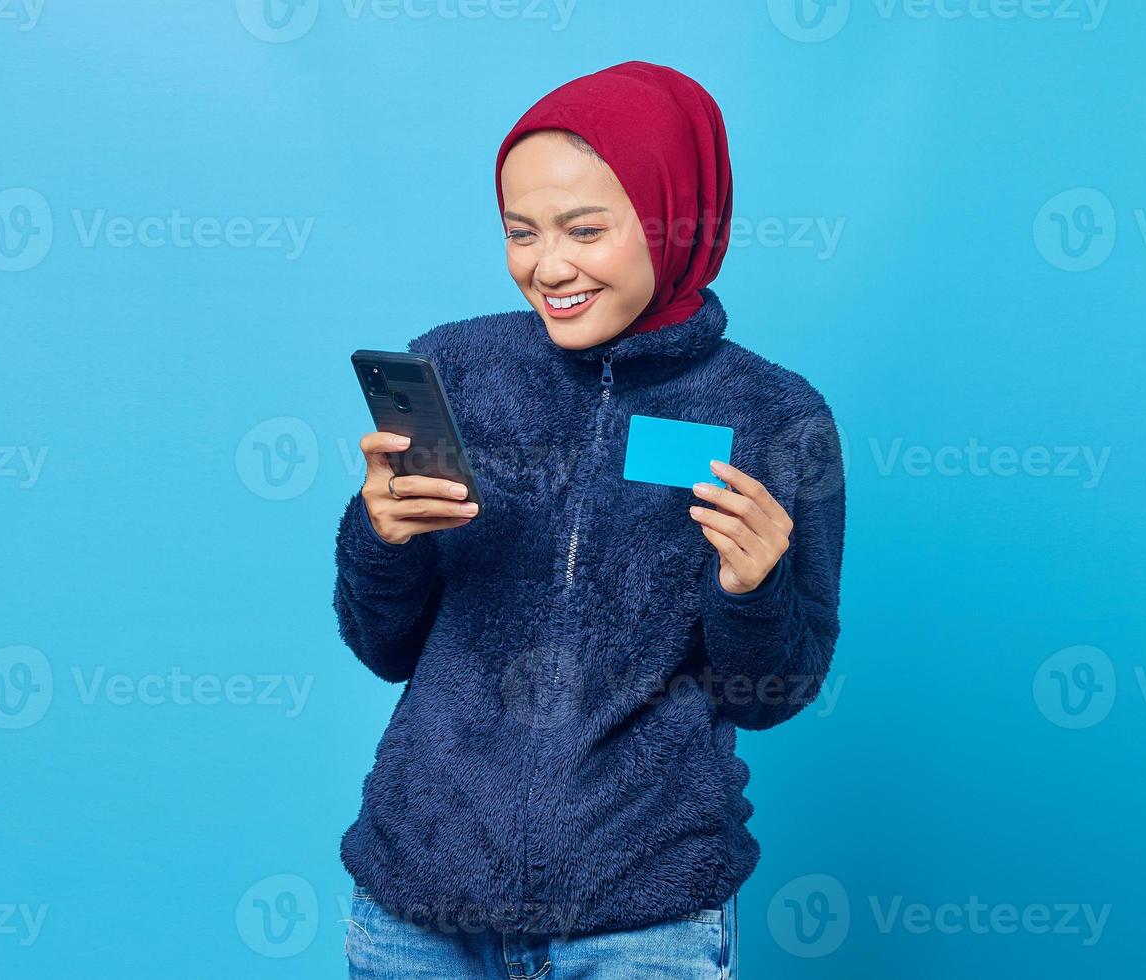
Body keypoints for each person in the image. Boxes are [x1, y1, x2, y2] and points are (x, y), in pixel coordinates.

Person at [335, 60, 846, 979]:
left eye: (585, 229)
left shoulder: (774, 415)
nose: (548, 265)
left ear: (670, 218)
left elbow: (775, 693)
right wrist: (381, 543)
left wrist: (754, 589)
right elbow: (384, 648)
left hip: (641, 916)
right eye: (519, 231)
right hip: (418, 901)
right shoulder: (457, 369)